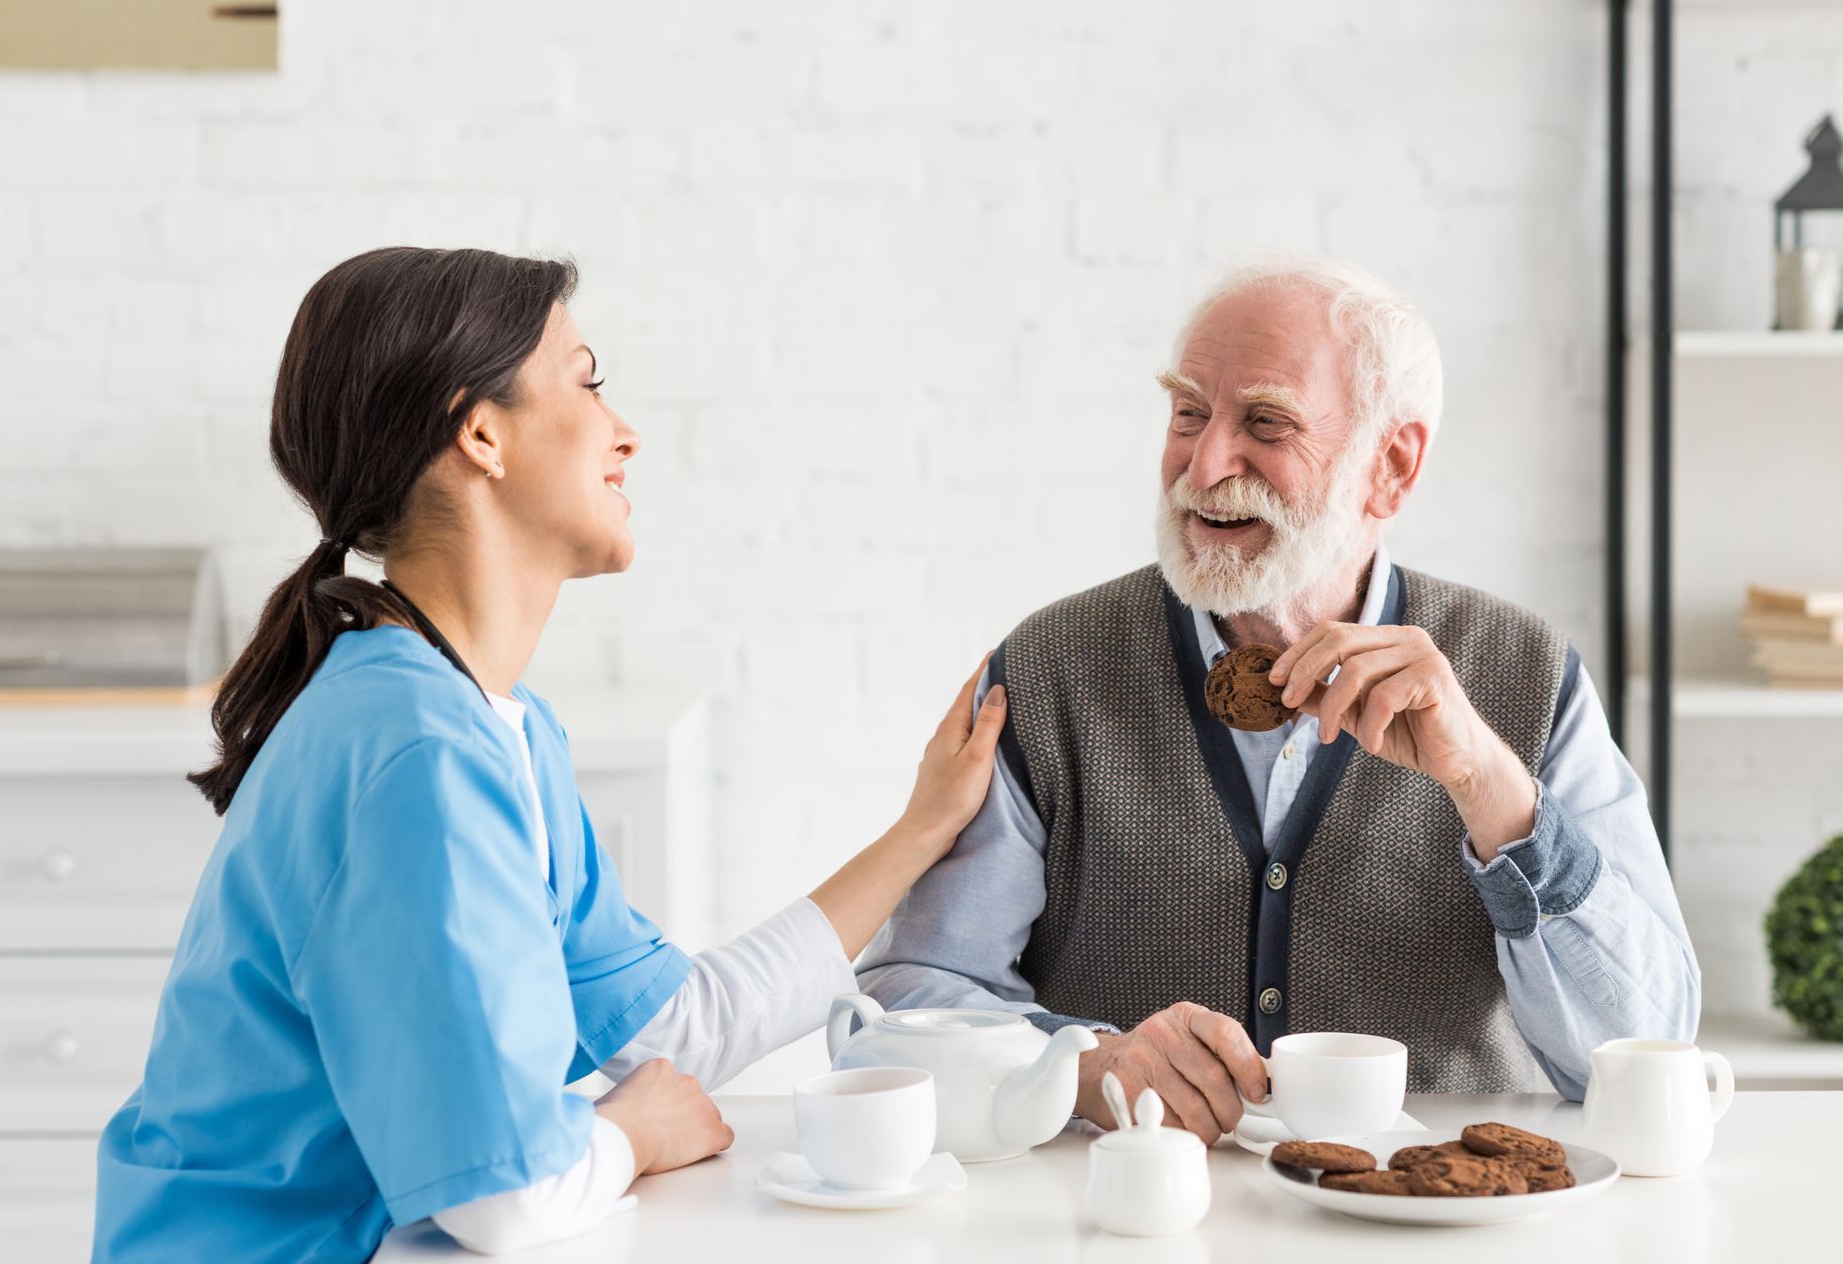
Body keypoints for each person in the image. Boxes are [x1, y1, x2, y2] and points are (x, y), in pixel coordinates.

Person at [91, 247, 1007, 1263]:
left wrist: (923, 828)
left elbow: (670, 1031)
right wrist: (629, 1133)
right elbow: (508, 1203)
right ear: (480, 433)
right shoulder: (418, 754)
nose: (627, 432)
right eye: (586, 379)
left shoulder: (491, 724)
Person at [859, 256, 1700, 1141]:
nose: (1204, 462)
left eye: (1266, 421)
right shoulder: (1050, 671)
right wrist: (1080, 1067)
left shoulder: (1528, 678)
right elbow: (909, 1003)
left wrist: (1491, 787)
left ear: (1392, 465)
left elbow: (1645, 1049)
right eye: (1188, 412)